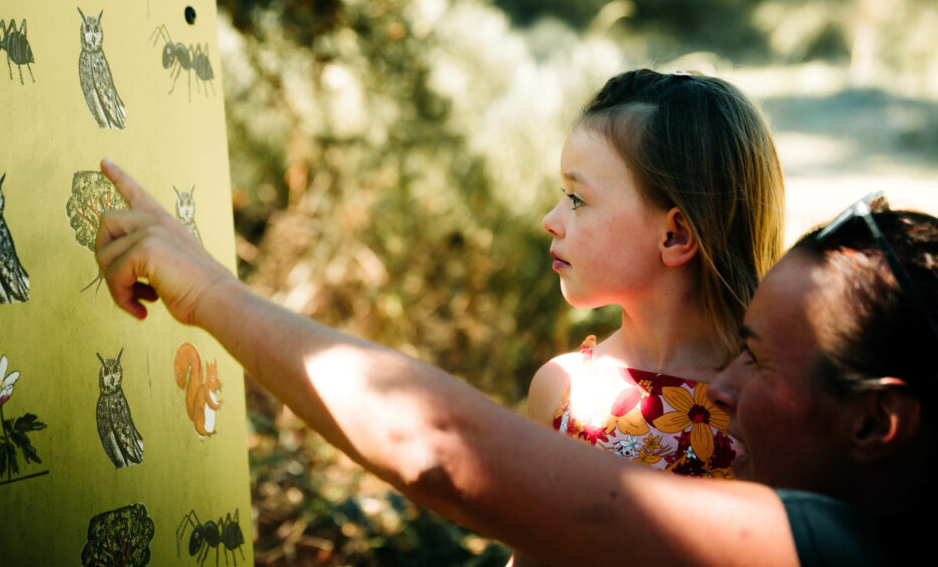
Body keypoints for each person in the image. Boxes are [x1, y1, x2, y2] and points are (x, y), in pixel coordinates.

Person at [95, 152, 931, 564]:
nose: (721, 384)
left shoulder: (831, 546)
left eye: (761, 361)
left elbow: (442, 451)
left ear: (875, 421)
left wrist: (209, 296)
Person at [528, 69, 784, 485]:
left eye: (577, 198)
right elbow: (534, 551)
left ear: (675, 235)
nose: (550, 221)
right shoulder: (560, 389)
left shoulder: (768, 412)